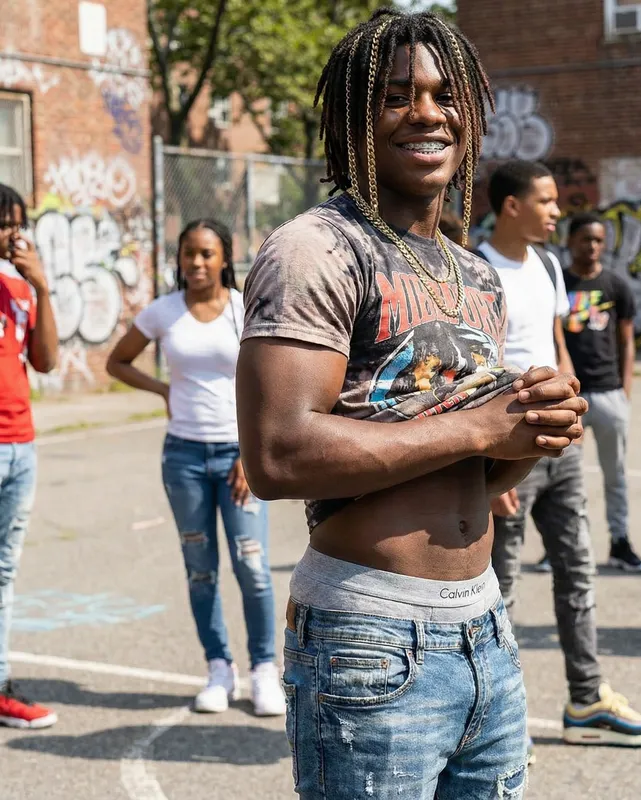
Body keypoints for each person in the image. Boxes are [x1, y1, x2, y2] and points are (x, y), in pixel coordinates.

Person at [236, 10, 587, 797]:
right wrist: (479, 425)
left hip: (484, 626)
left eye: (443, 95)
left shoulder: (476, 273)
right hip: (370, 636)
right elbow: (278, 454)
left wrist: (531, 431)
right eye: (396, 96)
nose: (426, 113)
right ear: (352, 120)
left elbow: (474, 473)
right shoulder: (317, 250)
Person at [480, 161, 641, 748]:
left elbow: (555, 342)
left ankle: (586, 699)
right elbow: (473, 371)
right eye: (546, 201)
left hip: (558, 449)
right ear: (512, 205)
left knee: (578, 574)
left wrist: (572, 403)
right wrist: (487, 470)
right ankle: (495, 723)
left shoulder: (547, 264)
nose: (557, 211)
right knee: (500, 589)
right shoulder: (476, 270)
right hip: (507, 455)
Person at [107, 219, 284, 716]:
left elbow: (270, 381)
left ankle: (263, 670)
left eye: (207, 253)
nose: (197, 262)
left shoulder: (244, 309)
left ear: (224, 257)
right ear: (179, 258)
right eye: (189, 253)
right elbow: (117, 362)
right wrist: (164, 390)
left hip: (237, 456)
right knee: (200, 571)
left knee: (252, 567)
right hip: (183, 457)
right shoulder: (163, 311)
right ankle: (218, 669)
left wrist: (251, 453)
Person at [0, 183, 59, 728]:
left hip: (20, 443)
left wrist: (41, 286)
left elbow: (46, 360)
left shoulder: (19, 288)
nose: (12, 235)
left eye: (18, 224)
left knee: (3, 572)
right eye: (4, 223)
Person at [563, 212, 641, 571]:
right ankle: (563, 544)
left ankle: (620, 542)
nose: (593, 246)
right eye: (586, 239)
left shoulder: (616, 285)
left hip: (610, 393)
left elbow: (627, 342)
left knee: (616, 476)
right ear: (571, 241)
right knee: (566, 479)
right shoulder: (559, 284)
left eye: (598, 240)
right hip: (570, 397)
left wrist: (625, 389)